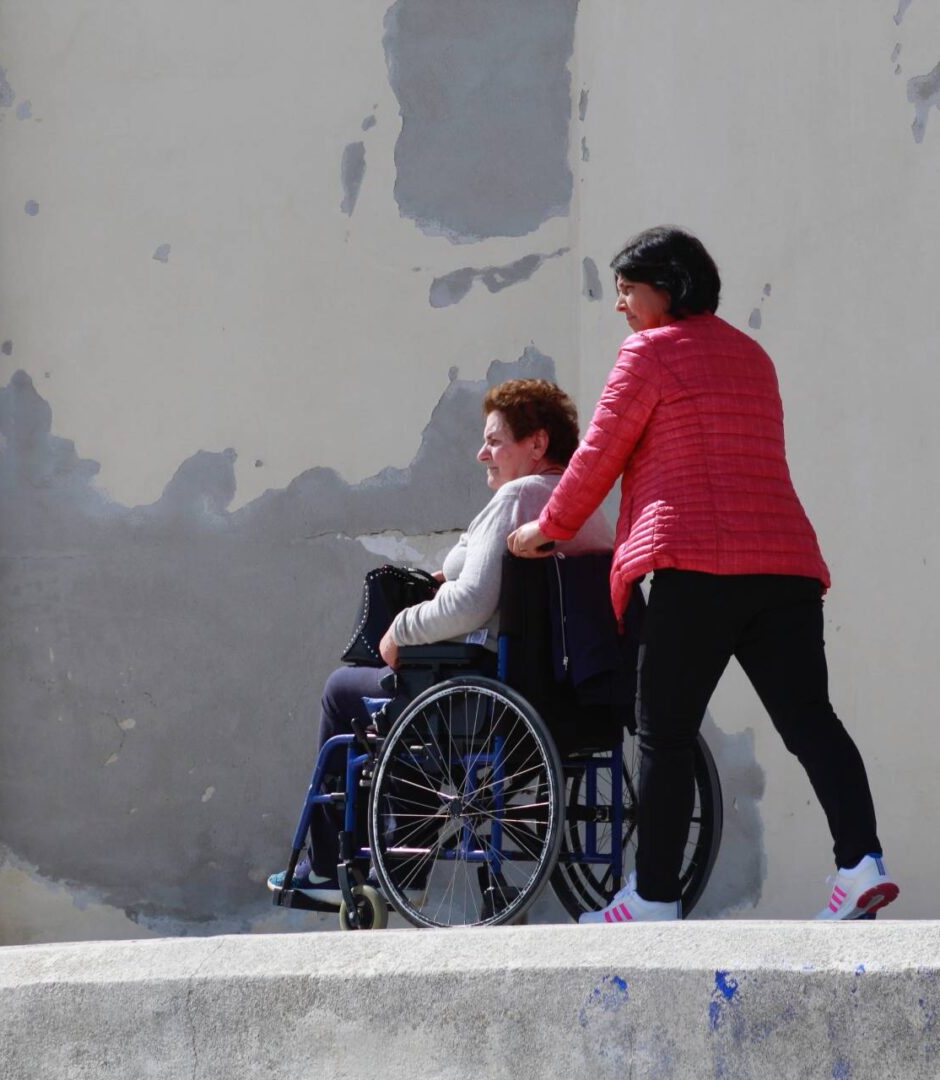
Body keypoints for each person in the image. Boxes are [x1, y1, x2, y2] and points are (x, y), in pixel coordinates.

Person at [508, 226, 898, 923]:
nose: (620, 305)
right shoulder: (754, 357)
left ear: (670, 287)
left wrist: (545, 529)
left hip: (693, 567)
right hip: (785, 569)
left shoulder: (650, 354)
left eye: (629, 289)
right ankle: (860, 862)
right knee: (811, 719)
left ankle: (654, 896)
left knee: (664, 731)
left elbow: (597, 456)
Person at [269, 379, 612, 904]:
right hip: (562, 693)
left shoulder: (517, 498)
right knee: (414, 694)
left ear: (537, 444)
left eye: (495, 441)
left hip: (487, 690)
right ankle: (403, 862)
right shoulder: (584, 509)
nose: (482, 454)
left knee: (346, 691)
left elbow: (474, 602)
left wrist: (401, 629)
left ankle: (332, 869)